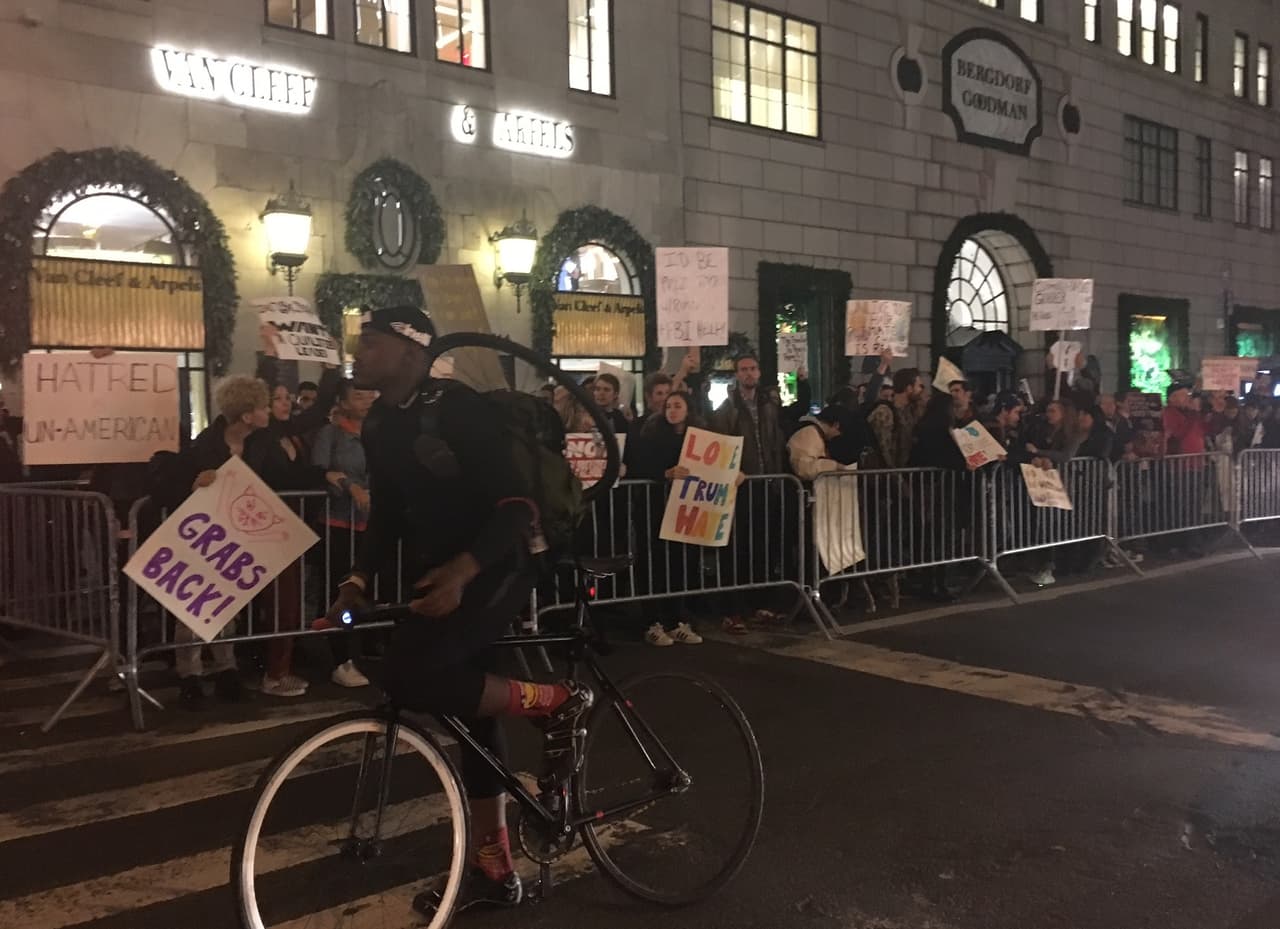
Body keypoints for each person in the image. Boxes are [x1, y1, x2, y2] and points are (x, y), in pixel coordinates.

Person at [325, 306, 594, 914]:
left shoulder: (457, 408)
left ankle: (556, 702)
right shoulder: (380, 425)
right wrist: (358, 576)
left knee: (413, 674)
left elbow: (517, 506)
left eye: (372, 342)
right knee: (467, 711)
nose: (359, 352)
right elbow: (389, 509)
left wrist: (463, 573)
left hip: (498, 563)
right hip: (444, 571)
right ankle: (494, 869)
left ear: (412, 353)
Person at [158, 375, 271, 708]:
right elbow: (176, 486)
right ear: (248, 415)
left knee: (226, 603)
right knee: (191, 605)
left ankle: (226, 669)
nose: (269, 412)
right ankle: (189, 675)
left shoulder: (261, 443)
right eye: (263, 407)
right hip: (202, 535)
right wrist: (196, 483)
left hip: (236, 534)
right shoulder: (204, 445)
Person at [709, 354, 786, 630]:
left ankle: (761, 604)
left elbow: (775, 442)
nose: (749, 374)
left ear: (759, 372)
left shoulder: (769, 406)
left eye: (753, 368)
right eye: (743, 370)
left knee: (763, 547)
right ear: (736, 374)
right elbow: (722, 445)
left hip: (767, 484)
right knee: (738, 549)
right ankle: (735, 608)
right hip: (740, 487)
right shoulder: (728, 408)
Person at [311, 379, 377, 688]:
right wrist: (347, 485)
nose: (366, 399)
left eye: (369, 393)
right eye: (358, 394)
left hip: (371, 525)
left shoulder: (377, 433)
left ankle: (367, 653)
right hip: (338, 524)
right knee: (340, 590)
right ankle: (340, 659)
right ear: (343, 400)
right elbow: (319, 473)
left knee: (370, 591)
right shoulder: (331, 434)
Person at [628, 391, 706, 647]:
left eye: (677, 405)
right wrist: (665, 473)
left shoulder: (699, 439)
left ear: (688, 409)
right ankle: (652, 621)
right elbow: (638, 466)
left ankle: (676, 620)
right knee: (653, 564)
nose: (672, 410)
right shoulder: (650, 436)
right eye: (668, 406)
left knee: (679, 564)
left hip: (684, 511)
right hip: (654, 508)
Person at [866, 368, 924, 470]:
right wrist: (898, 481)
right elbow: (885, 453)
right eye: (919, 386)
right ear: (909, 388)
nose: (921, 390)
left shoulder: (912, 412)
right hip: (888, 478)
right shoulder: (884, 413)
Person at [787, 405, 842, 481]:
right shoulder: (809, 435)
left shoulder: (813, 433)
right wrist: (834, 466)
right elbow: (804, 469)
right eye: (839, 432)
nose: (838, 435)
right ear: (836, 425)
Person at [592, 373, 630, 437]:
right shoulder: (587, 415)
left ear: (615, 394)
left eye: (606, 390)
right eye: (598, 389)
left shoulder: (621, 417)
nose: (601, 393)